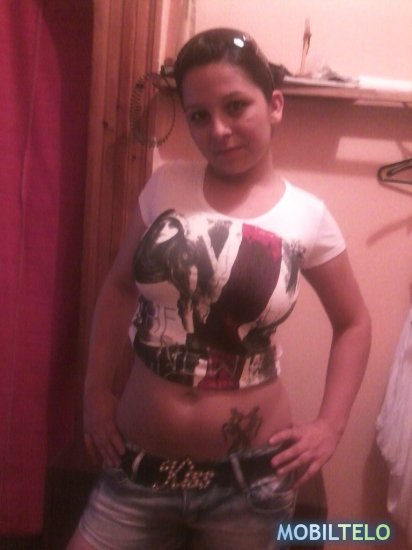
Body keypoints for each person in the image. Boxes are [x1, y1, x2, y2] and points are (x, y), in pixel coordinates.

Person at [67, 28, 371, 550]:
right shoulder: (164, 185)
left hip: (249, 486)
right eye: (199, 115)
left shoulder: (307, 216)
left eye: (235, 107)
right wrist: (95, 389)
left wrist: (331, 425)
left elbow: (354, 323)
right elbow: (118, 288)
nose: (219, 130)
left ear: (274, 105)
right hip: (137, 473)